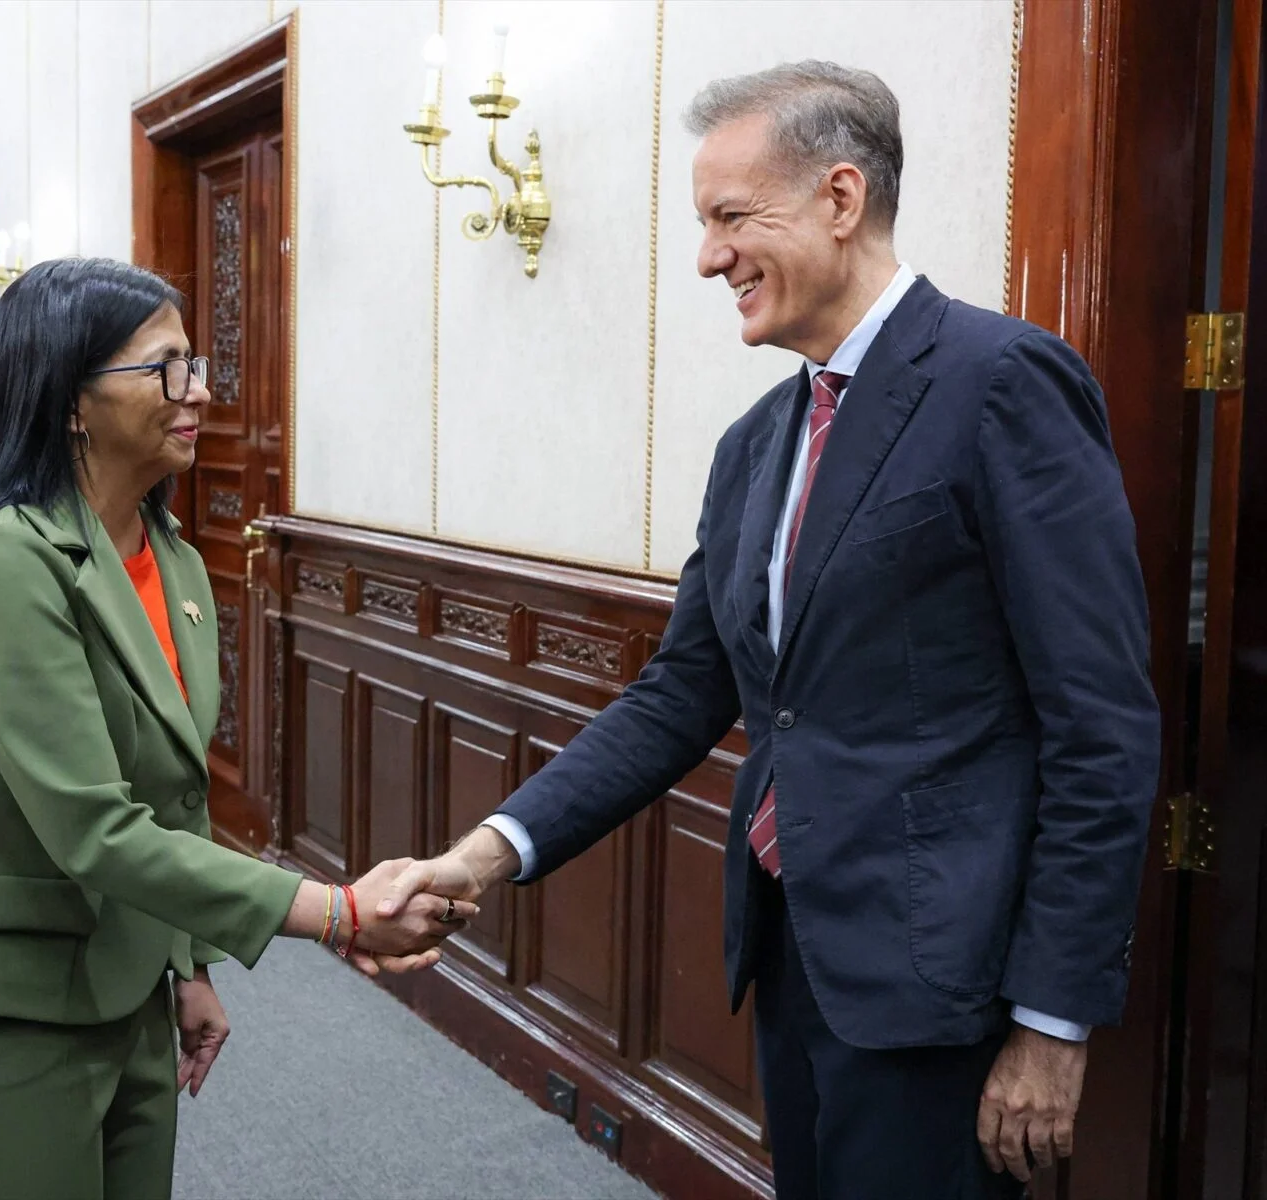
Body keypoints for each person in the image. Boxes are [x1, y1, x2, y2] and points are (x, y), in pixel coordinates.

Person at [377, 62, 1160, 1200]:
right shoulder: (756, 443)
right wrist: (485, 853)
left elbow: (1101, 727)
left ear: (841, 199)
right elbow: (680, 696)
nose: (708, 256)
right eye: (706, 224)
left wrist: (1054, 1021)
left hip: (949, 991)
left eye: (731, 218)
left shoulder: (1004, 384)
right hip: (795, 962)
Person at [0, 258, 475, 1200]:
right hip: (9, 1010)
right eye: (167, 367)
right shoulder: (6, 565)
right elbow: (95, 828)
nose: (200, 388)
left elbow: (171, 794)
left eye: (194, 363)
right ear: (72, 401)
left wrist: (187, 963)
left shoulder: (176, 562)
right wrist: (338, 913)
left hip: (129, 994)